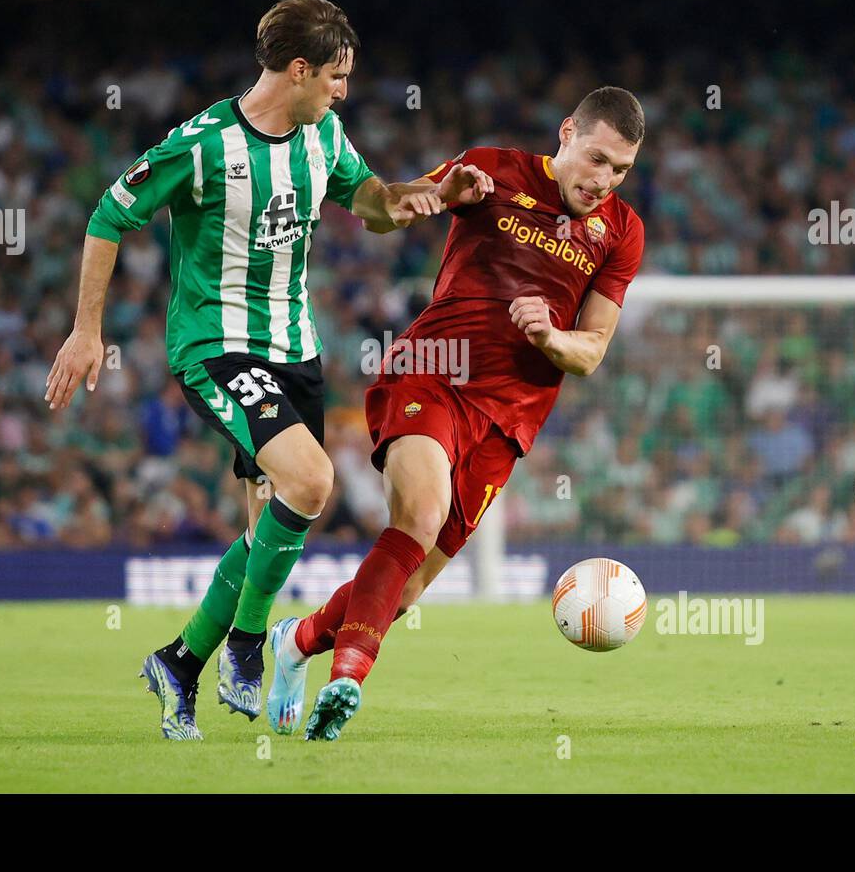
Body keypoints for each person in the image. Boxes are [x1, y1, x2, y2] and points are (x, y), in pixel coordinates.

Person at [44, 0, 489, 740]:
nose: (345, 92)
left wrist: (430, 196)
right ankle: (247, 647)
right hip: (216, 345)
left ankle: (181, 662)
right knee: (313, 482)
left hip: (295, 351)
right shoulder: (204, 144)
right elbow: (108, 217)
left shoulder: (325, 137)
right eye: (337, 78)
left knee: (268, 535)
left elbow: (372, 202)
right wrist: (87, 330)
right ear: (299, 70)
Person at [266, 86, 648, 740]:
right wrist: (443, 195)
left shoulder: (622, 232)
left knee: (408, 590)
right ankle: (348, 678)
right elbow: (384, 213)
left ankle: (298, 641)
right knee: (417, 516)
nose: (603, 180)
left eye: (620, 170)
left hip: (510, 420)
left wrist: (551, 339)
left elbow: (591, 351)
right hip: (435, 373)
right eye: (596, 159)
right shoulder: (491, 169)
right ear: (566, 134)